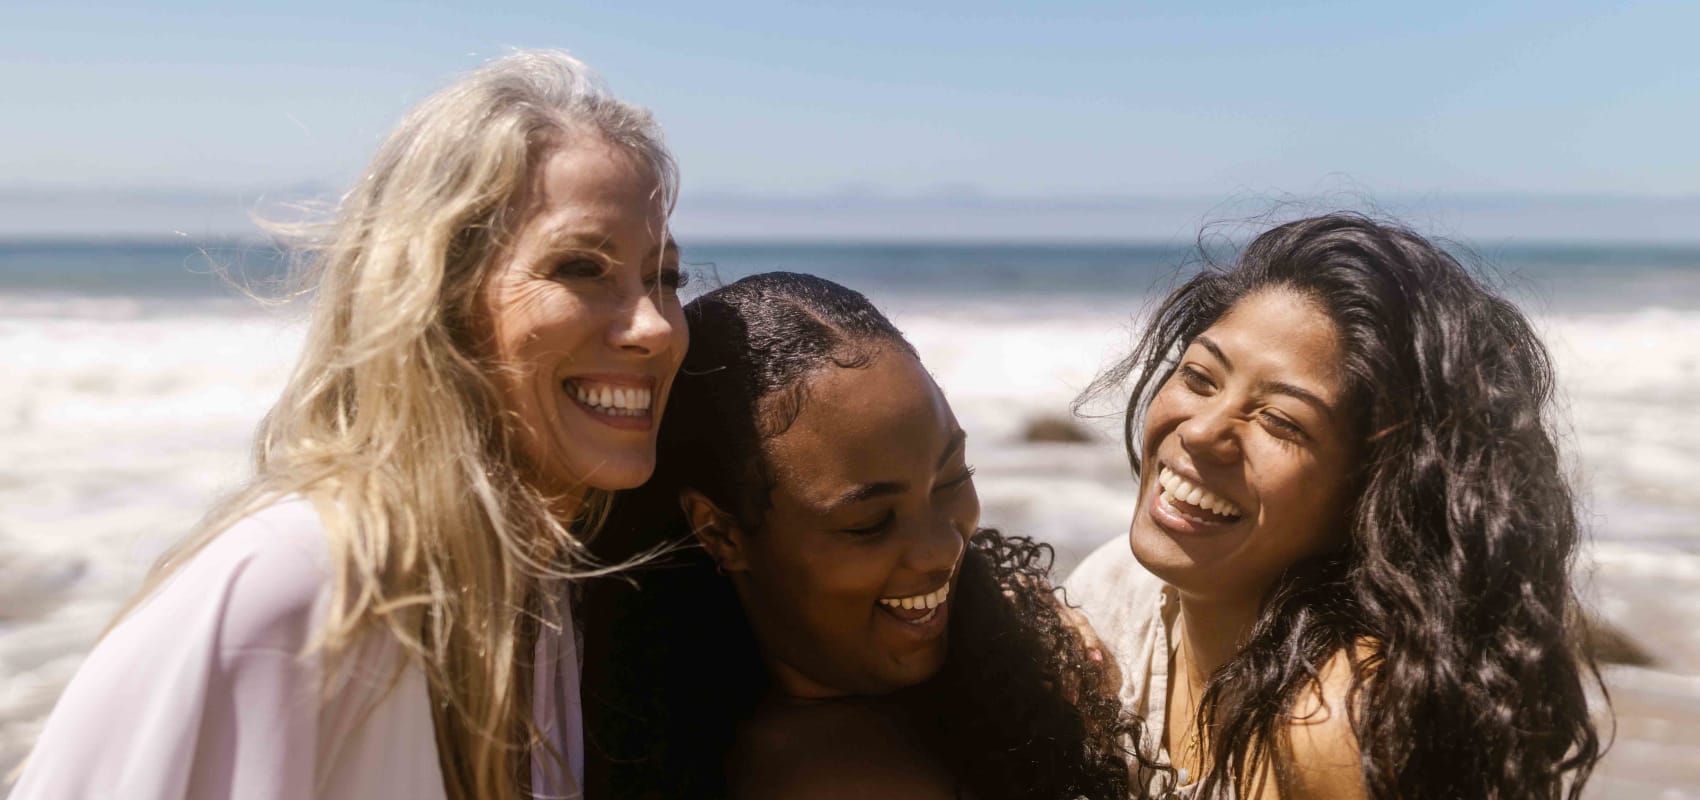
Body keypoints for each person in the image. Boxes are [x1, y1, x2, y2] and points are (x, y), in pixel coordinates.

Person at [10, 50, 686, 800]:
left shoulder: (536, 593)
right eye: (580, 268)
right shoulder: (300, 591)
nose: (654, 327)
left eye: (665, 278)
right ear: (436, 298)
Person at [1065, 213, 1605, 799]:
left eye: (1280, 420)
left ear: (1377, 491)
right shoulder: (1112, 593)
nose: (1201, 432)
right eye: (1199, 376)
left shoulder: (1339, 720)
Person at [579, 272, 1145, 799]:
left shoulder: (978, 665)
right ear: (721, 532)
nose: (942, 549)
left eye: (953, 478)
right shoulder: (827, 776)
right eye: (869, 524)